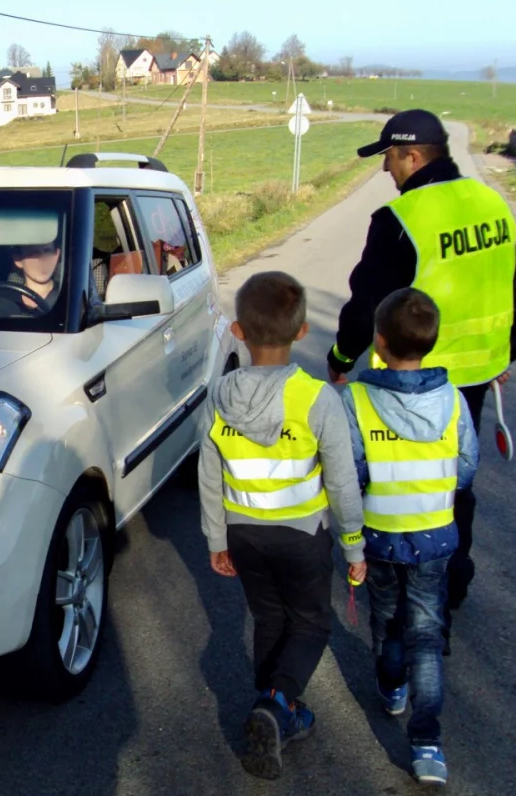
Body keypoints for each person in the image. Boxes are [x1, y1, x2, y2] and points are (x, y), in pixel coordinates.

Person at [326, 109, 516, 638]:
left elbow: (366, 304)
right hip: (477, 375)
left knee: (401, 479)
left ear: (413, 157)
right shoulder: (491, 202)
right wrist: (508, 354)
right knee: (456, 478)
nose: (385, 170)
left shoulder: (401, 219)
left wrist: (341, 360)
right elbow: (514, 287)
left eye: (389, 158)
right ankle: (452, 576)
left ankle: (398, 575)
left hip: (415, 376)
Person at [198, 271, 367, 781]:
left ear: (238, 332)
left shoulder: (219, 395)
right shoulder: (317, 399)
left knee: (270, 618)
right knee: (312, 623)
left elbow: (210, 472)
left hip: (246, 535)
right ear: (302, 332)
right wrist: (355, 546)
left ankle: (270, 708)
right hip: (303, 537)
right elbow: (341, 483)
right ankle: (276, 705)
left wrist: (216, 538)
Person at [341, 287, 479, 787]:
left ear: (378, 342)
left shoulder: (356, 398)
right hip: (436, 539)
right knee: (427, 631)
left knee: (385, 616)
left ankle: (391, 684)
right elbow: (465, 471)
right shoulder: (454, 400)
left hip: (379, 536)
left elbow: (350, 471)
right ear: (432, 343)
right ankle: (427, 745)